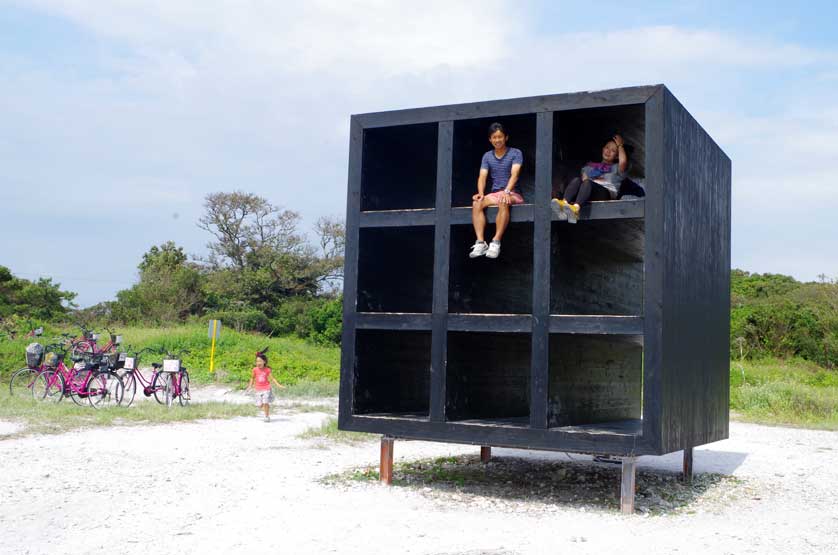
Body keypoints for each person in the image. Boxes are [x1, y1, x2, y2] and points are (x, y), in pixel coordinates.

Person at [469, 122, 524, 259]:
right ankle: (481, 243)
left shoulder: (515, 153)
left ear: (506, 137)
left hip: (512, 193)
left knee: (502, 200)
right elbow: (482, 176)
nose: (497, 140)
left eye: (500, 137)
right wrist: (480, 192)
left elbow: (515, 174)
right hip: (495, 193)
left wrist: (507, 191)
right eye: (494, 137)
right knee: (477, 203)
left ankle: (496, 242)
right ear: (490, 139)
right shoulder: (487, 156)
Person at [554, 134, 628, 224]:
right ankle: (564, 203)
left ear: (617, 156)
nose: (608, 151)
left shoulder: (616, 168)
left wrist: (620, 146)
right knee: (577, 180)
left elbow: (623, 162)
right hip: (588, 192)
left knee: (587, 182)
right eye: (607, 148)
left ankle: (575, 209)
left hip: (605, 193)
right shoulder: (590, 166)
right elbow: (583, 180)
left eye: (613, 151)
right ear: (603, 149)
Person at [245, 349, 285, 422]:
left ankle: (267, 416)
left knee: (265, 402)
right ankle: (265, 407)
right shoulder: (255, 369)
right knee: (260, 405)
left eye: (260, 361)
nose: (258, 363)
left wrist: (279, 385)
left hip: (266, 388)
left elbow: (272, 379)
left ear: (264, 362)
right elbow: (252, 378)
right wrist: (249, 386)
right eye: (257, 361)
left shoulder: (267, 370)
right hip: (258, 389)